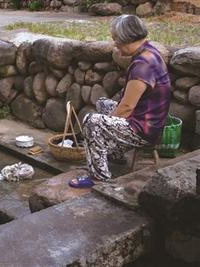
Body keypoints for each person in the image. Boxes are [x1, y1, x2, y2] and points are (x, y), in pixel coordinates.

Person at [69, 14, 171, 188]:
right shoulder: (150, 51)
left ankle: (99, 177)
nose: (115, 43)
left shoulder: (143, 65)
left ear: (126, 38)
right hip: (147, 120)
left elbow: (126, 108)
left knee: (92, 121)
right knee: (103, 103)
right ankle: (116, 155)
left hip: (145, 130)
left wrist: (105, 125)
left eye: (115, 39)